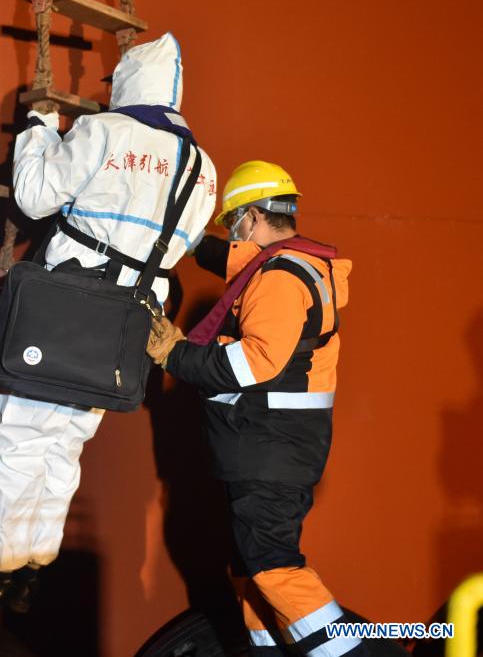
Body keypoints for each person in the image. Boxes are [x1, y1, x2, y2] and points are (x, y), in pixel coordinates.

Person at [0, 32, 218, 608]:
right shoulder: (204, 167)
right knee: (65, 444)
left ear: (127, 83)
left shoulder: (106, 131)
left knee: (19, 436)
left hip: (66, 305)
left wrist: (37, 128)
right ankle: (33, 569)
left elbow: (33, 197)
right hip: (128, 324)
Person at [147, 160, 363, 657]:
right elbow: (239, 265)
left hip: (270, 448)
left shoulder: (281, 278)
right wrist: (187, 237)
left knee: (271, 564)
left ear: (252, 216)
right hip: (271, 446)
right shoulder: (293, 264)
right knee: (249, 570)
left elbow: (255, 363)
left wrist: (174, 354)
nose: (233, 232)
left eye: (233, 221)